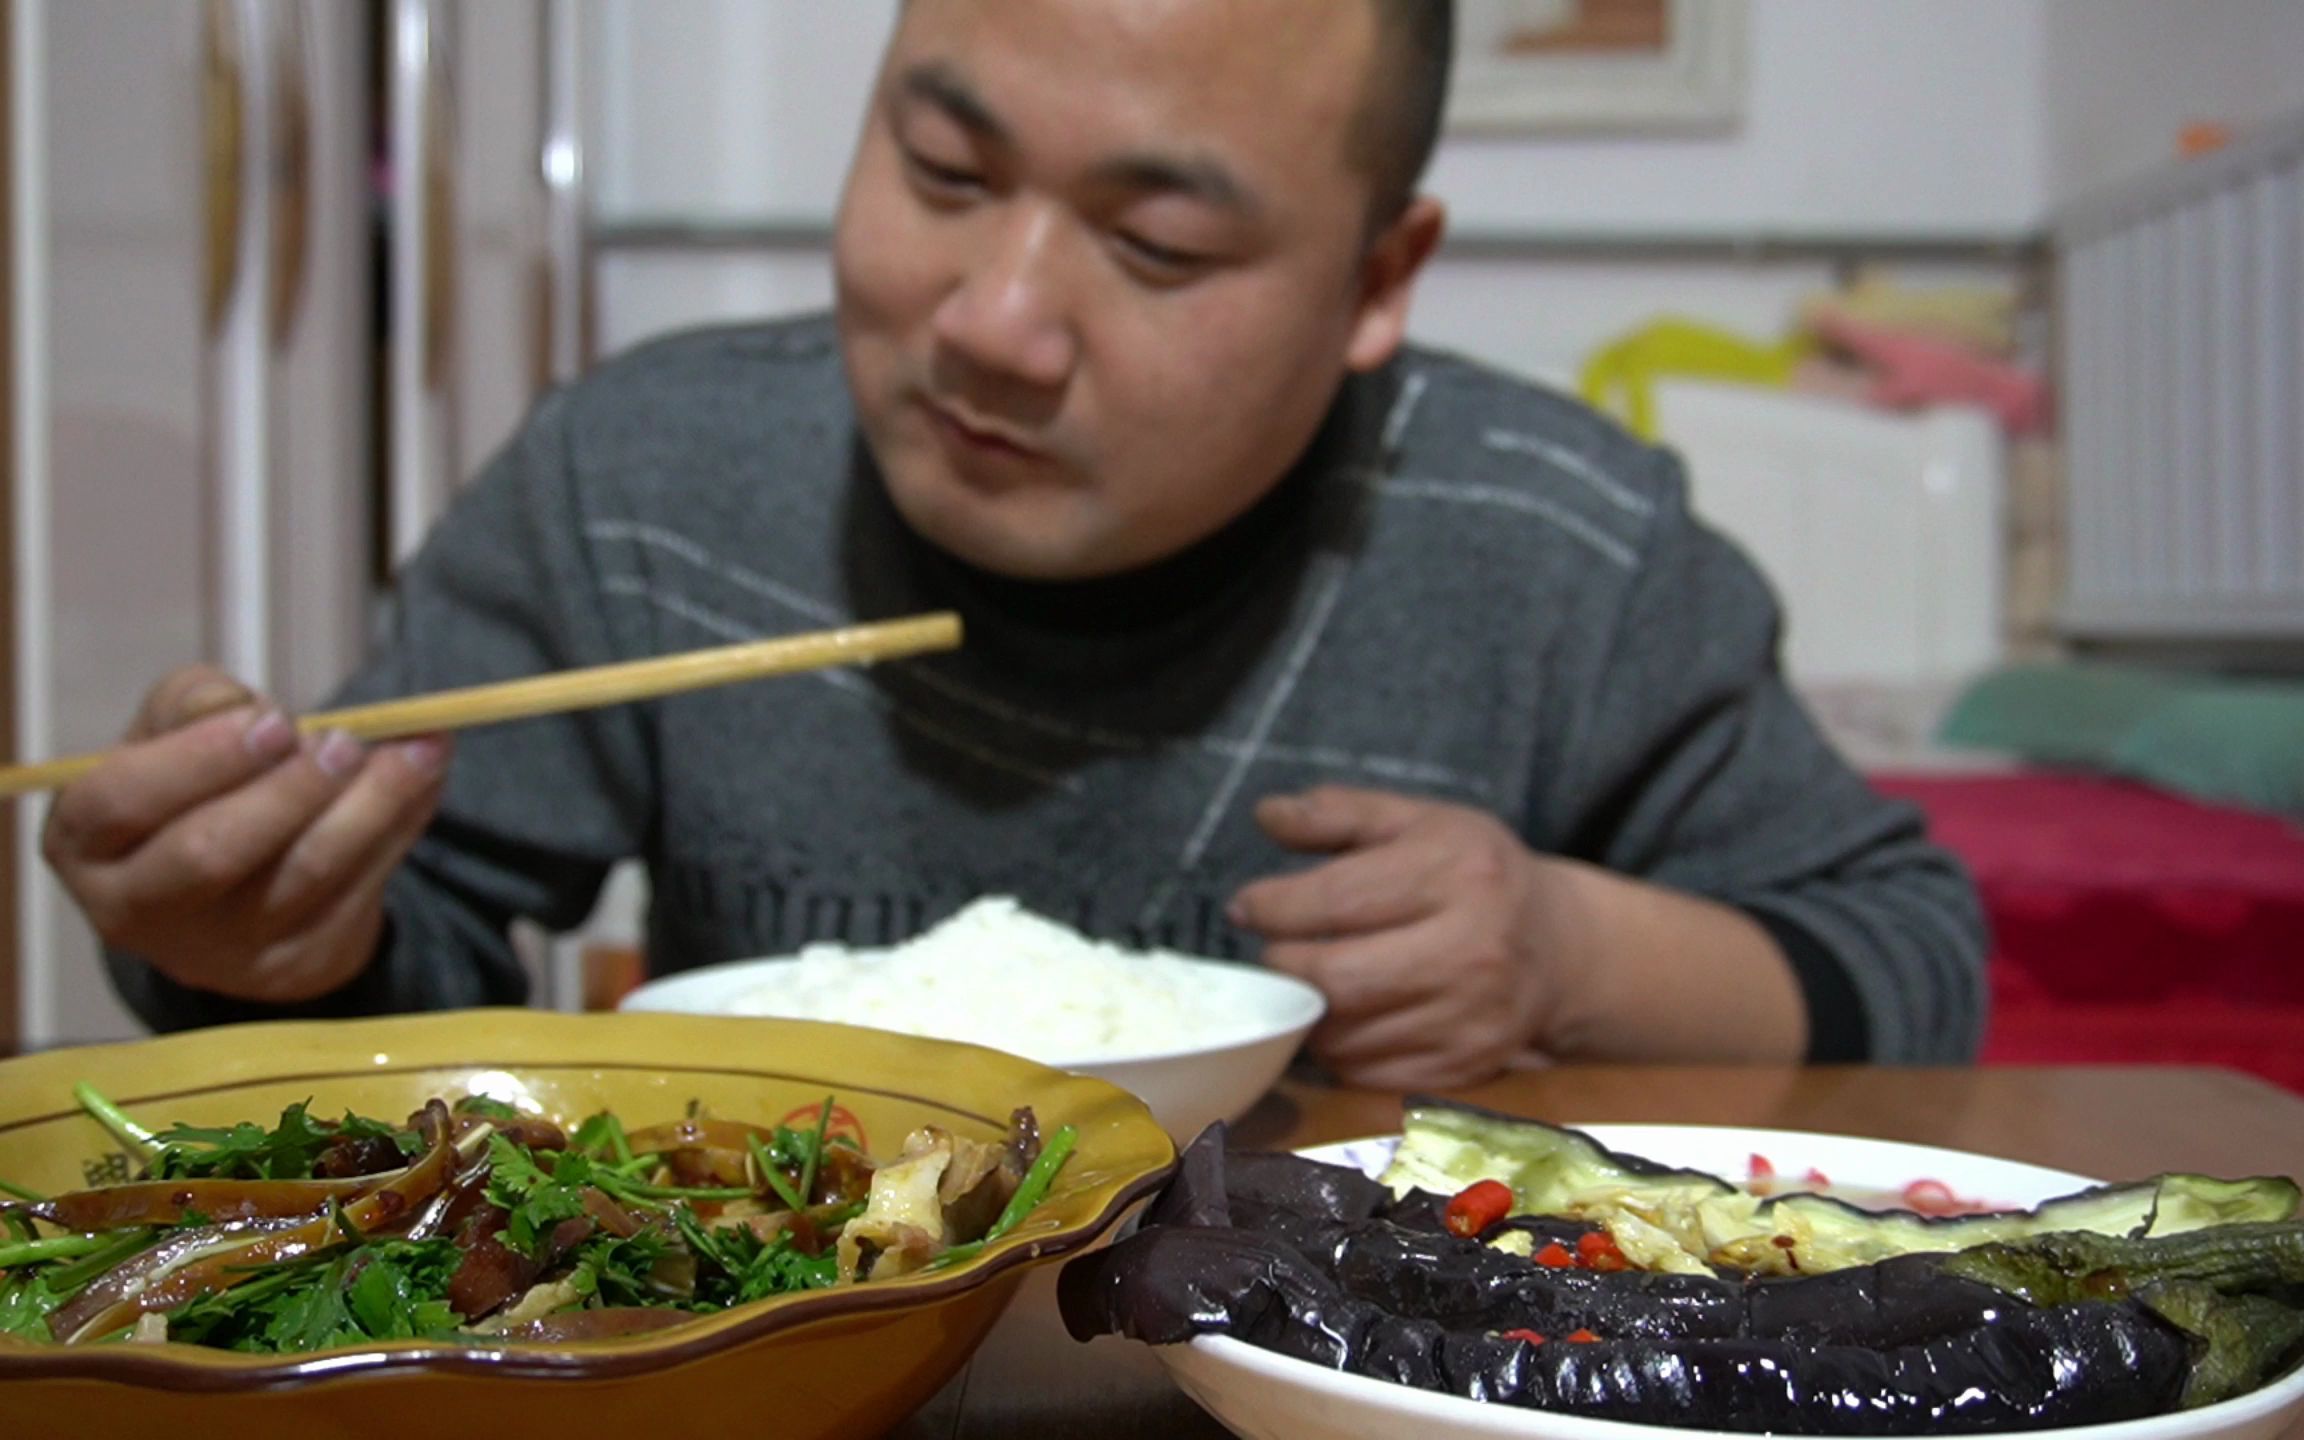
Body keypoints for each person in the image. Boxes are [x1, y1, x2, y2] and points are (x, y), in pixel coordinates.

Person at [42, 0, 1985, 1088]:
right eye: (940, 169)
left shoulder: (1559, 546)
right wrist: (259, 933)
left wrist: (1571, 946)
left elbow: (1909, 962)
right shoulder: (647, 472)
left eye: (1155, 246)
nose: (992, 319)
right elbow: (413, 959)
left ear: (1379, 279)